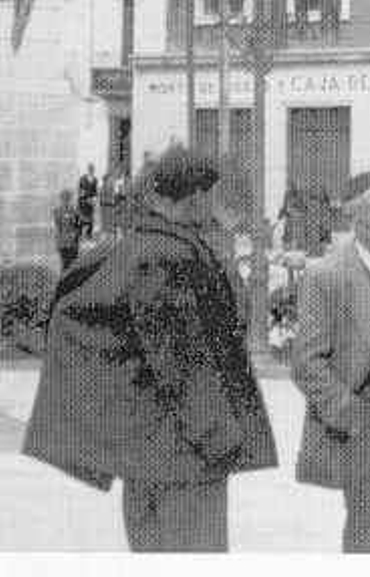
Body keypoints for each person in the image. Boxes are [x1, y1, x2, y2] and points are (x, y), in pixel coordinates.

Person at [23, 145, 276, 551]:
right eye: (210, 196)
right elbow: (179, 362)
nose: (213, 206)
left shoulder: (142, 247)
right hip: (183, 461)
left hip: (149, 454)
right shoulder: (167, 257)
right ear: (196, 197)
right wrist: (218, 436)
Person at [292, 171, 370, 552]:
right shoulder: (327, 274)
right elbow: (306, 362)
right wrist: (350, 414)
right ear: (354, 215)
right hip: (364, 427)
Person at [52, 189, 82, 272]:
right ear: (61, 199)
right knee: (65, 263)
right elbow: (58, 226)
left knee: (73, 263)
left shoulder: (75, 210)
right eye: (64, 198)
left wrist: (75, 234)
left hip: (73, 241)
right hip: (63, 241)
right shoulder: (57, 211)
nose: (66, 200)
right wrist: (59, 240)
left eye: (68, 198)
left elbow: (78, 225)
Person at [76, 163, 99, 240]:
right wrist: (84, 197)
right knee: (81, 218)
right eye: (90, 169)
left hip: (91, 202)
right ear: (88, 169)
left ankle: (89, 234)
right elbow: (80, 190)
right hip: (83, 201)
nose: (91, 170)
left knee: (90, 218)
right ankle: (79, 234)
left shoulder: (95, 180)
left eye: (92, 169)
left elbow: (95, 191)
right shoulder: (82, 178)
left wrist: (93, 199)